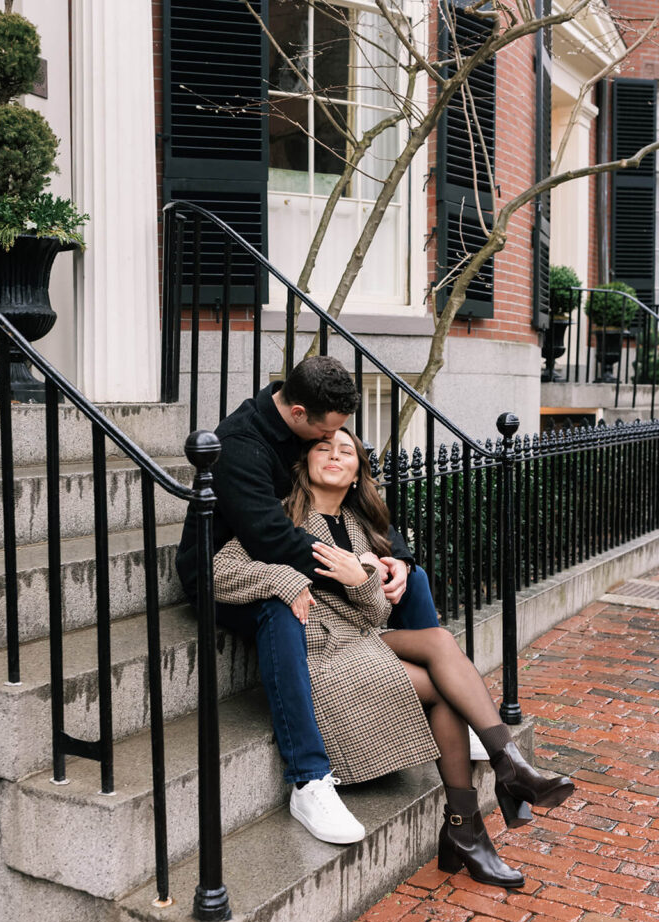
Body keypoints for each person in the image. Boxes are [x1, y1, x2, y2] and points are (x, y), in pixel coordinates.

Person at [212, 428, 575, 888]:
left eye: (346, 451)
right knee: (445, 693)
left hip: (359, 639)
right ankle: (482, 808)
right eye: (323, 448)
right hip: (321, 651)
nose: (334, 455)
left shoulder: (361, 528)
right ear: (304, 466)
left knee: (440, 641)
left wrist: (358, 577)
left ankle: (493, 792)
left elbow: (376, 610)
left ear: (356, 473)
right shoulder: (283, 517)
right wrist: (284, 579)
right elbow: (220, 570)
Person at [176, 357, 440, 843]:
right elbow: (272, 539)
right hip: (231, 572)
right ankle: (309, 779)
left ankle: (439, 712)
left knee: (414, 580)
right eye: (329, 432)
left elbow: (360, 504)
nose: (335, 443)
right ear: (299, 413)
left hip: (294, 556)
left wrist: (394, 560)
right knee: (279, 609)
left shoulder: (309, 423)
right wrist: (353, 569)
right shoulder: (241, 446)